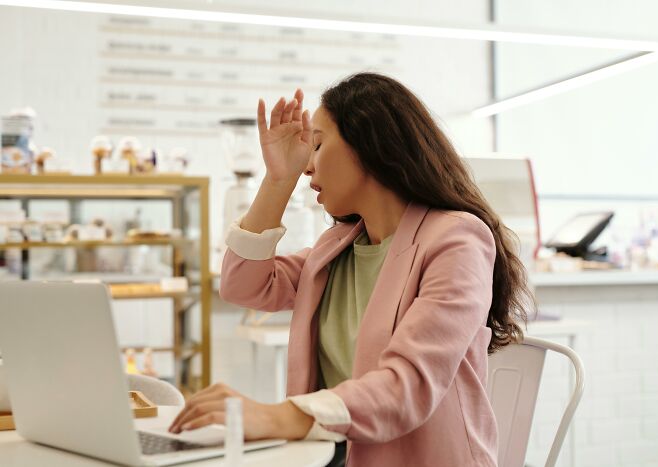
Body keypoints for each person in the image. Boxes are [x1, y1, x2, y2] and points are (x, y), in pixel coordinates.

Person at [169, 72, 533, 466]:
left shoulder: (457, 239)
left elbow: (406, 386)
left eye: (319, 146)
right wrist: (278, 180)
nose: (307, 165)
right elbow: (242, 285)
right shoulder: (337, 246)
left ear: (369, 145)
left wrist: (275, 416)